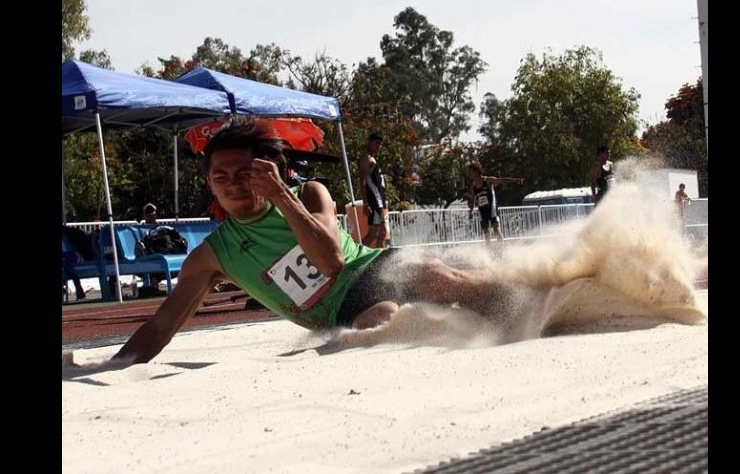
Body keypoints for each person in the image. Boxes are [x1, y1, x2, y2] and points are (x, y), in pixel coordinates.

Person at [103, 117, 509, 365]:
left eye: (244, 174)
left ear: (268, 170)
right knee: (384, 320)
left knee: (436, 277)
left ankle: (524, 301)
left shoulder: (311, 193)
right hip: (341, 310)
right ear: (209, 183)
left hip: (369, 268)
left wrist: (281, 195)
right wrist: (113, 365)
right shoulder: (212, 256)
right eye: (220, 178)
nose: (232, 186)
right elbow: (161, 326)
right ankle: (470, 323)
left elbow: (331, 261)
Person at [467, 162, 525, 244]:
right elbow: (472, 199)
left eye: (470, 171)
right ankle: (490, 253)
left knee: (496, 229)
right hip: (482, 210)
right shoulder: (473, 186)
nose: (469, 174)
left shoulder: (487, 180)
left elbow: (501, 180)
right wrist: (471, 211)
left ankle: (502, 248)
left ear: (476, 171)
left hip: (492, 208)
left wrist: (515, 180)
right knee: (486, 234)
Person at [358, 132, 389, 248]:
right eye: (376, 143)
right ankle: (356, 256)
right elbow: (362, 180)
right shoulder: (366, 158)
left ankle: (380, 261)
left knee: (382, 232)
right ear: (369, 142)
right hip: (374, 200)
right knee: (374, 233)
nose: (378, 146)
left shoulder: (373, 158)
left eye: (380, 144)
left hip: (379, 199)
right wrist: (366, 202)